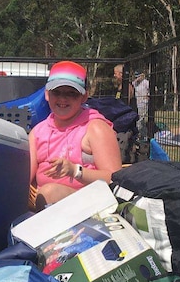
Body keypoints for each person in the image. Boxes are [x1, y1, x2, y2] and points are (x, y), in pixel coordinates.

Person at [29, 60, 122, 208]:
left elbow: (116, 179)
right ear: (47, 94)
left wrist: (75, 171)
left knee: (49, 192)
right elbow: (23, 177)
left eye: (72, 94)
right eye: (56, 92)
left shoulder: (95, 127)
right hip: (45, 206)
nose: (63, 99)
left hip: (92, 206)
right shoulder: (38, 132)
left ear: (84, 97)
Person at [132, 71, 150, 141]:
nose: (137, 78)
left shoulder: (146, 82)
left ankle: (138, 136)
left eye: (138, 76)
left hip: (143, 103)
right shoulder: (135, 83)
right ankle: (144, 135)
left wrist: (147, 96)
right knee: (141, 121)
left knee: (139, 120)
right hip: (137, 103)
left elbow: (152, 90)